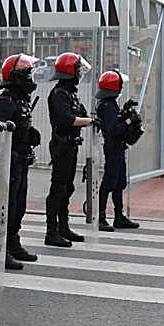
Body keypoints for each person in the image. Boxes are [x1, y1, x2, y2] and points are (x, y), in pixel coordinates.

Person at [0, 53, 41, 269]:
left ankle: (13, 242)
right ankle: (0, 250)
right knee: (6, 207)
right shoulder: (6, 101)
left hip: (20, 161)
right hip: (8, 162)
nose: (31, 78)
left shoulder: (20, 101)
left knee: (18, 206)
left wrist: (30, 134)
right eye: (28, 74)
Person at [44, 52, 93, 248]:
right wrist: (89, 121)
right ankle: (51, 231)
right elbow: (68, 119)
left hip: (71, 145)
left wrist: (86, 119)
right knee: (58, 188)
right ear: (69, 72)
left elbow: (81, 113)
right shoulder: (58, 94)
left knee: (68, 188)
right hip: (61, 146)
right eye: (77, 71)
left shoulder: (70, 93)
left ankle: (63, 227)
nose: (80, 75)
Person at [94, 70, 140, 232]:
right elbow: (114, 129)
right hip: (113, 147)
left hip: (118, 147)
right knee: (109, 181)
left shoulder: (110, 104)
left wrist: (124, 111)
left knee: (119, 182)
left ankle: (119, 216)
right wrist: (129, 120)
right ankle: (100, 218)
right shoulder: (107, 107)